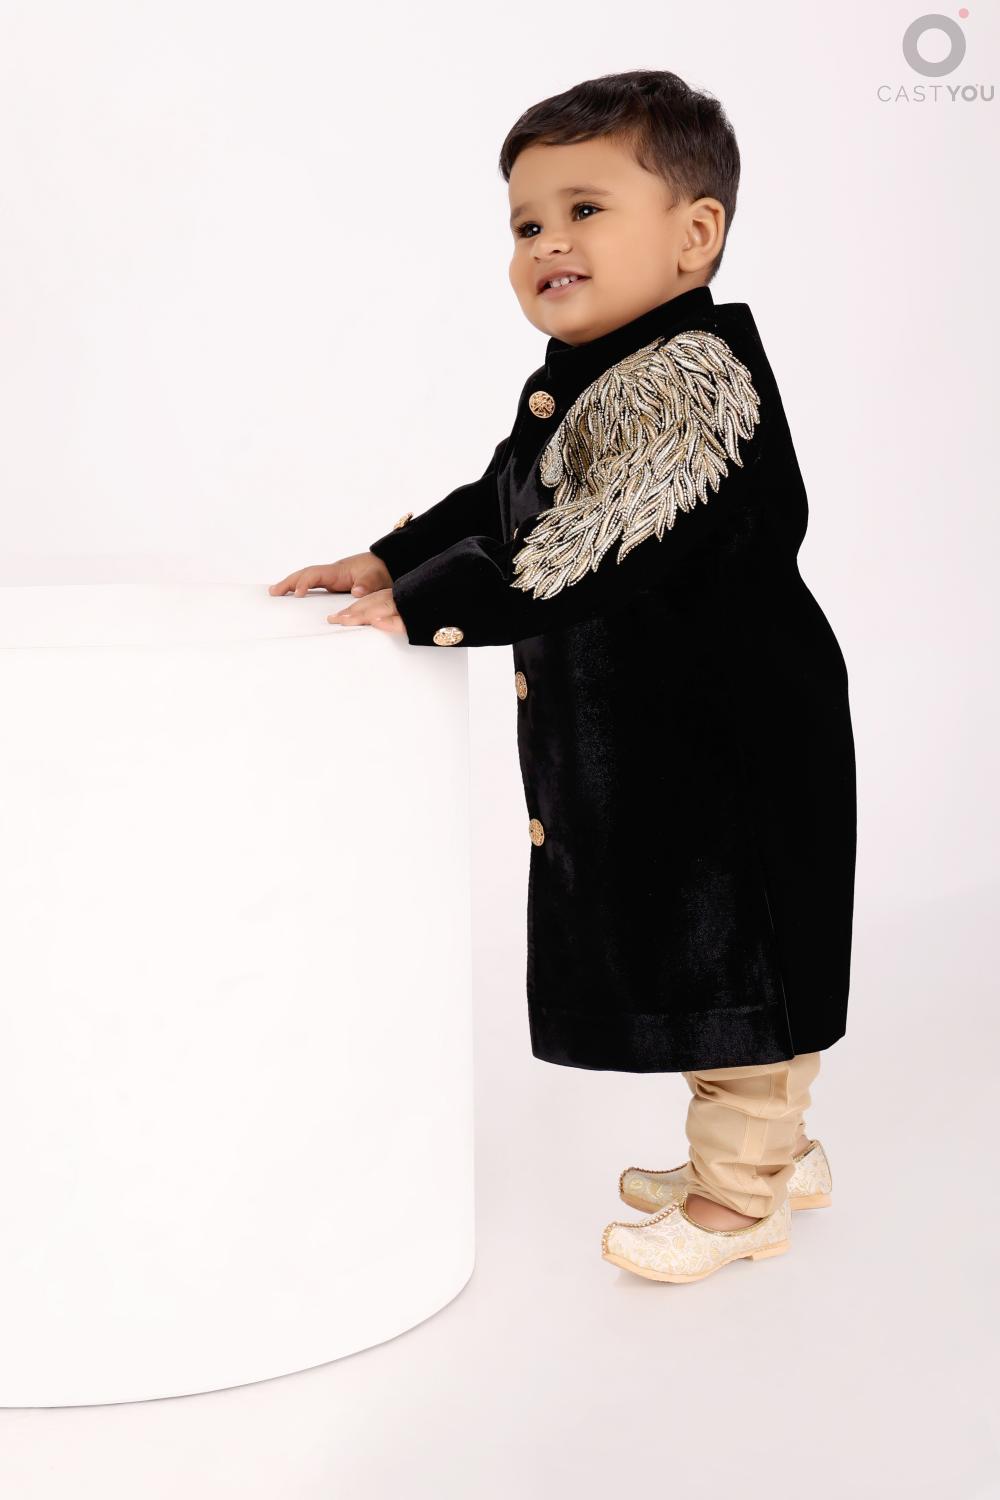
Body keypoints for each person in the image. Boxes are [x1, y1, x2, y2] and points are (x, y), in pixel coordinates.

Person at [269, 69, 856, 1285]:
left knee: (732, 954)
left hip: (728, 742)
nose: (546, 243)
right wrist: (389, 558)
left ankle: (741, 1194)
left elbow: (591, 543)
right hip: (660, 740)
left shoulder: (689, 383)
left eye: (584, 209)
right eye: (526, 223)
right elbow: (505, 498)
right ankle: (768, 1150)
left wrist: (427, 606)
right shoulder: (595, 376)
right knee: (698, 945)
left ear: (694, 235)